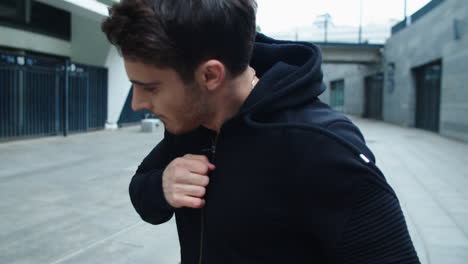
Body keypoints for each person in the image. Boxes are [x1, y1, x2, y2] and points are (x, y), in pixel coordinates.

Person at [102, 0, 421, 263]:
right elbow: (144, 197)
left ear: (210, 76)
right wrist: (162, 185)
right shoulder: (191, 121)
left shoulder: (322, 147)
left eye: (150, 88)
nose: (137, 103)